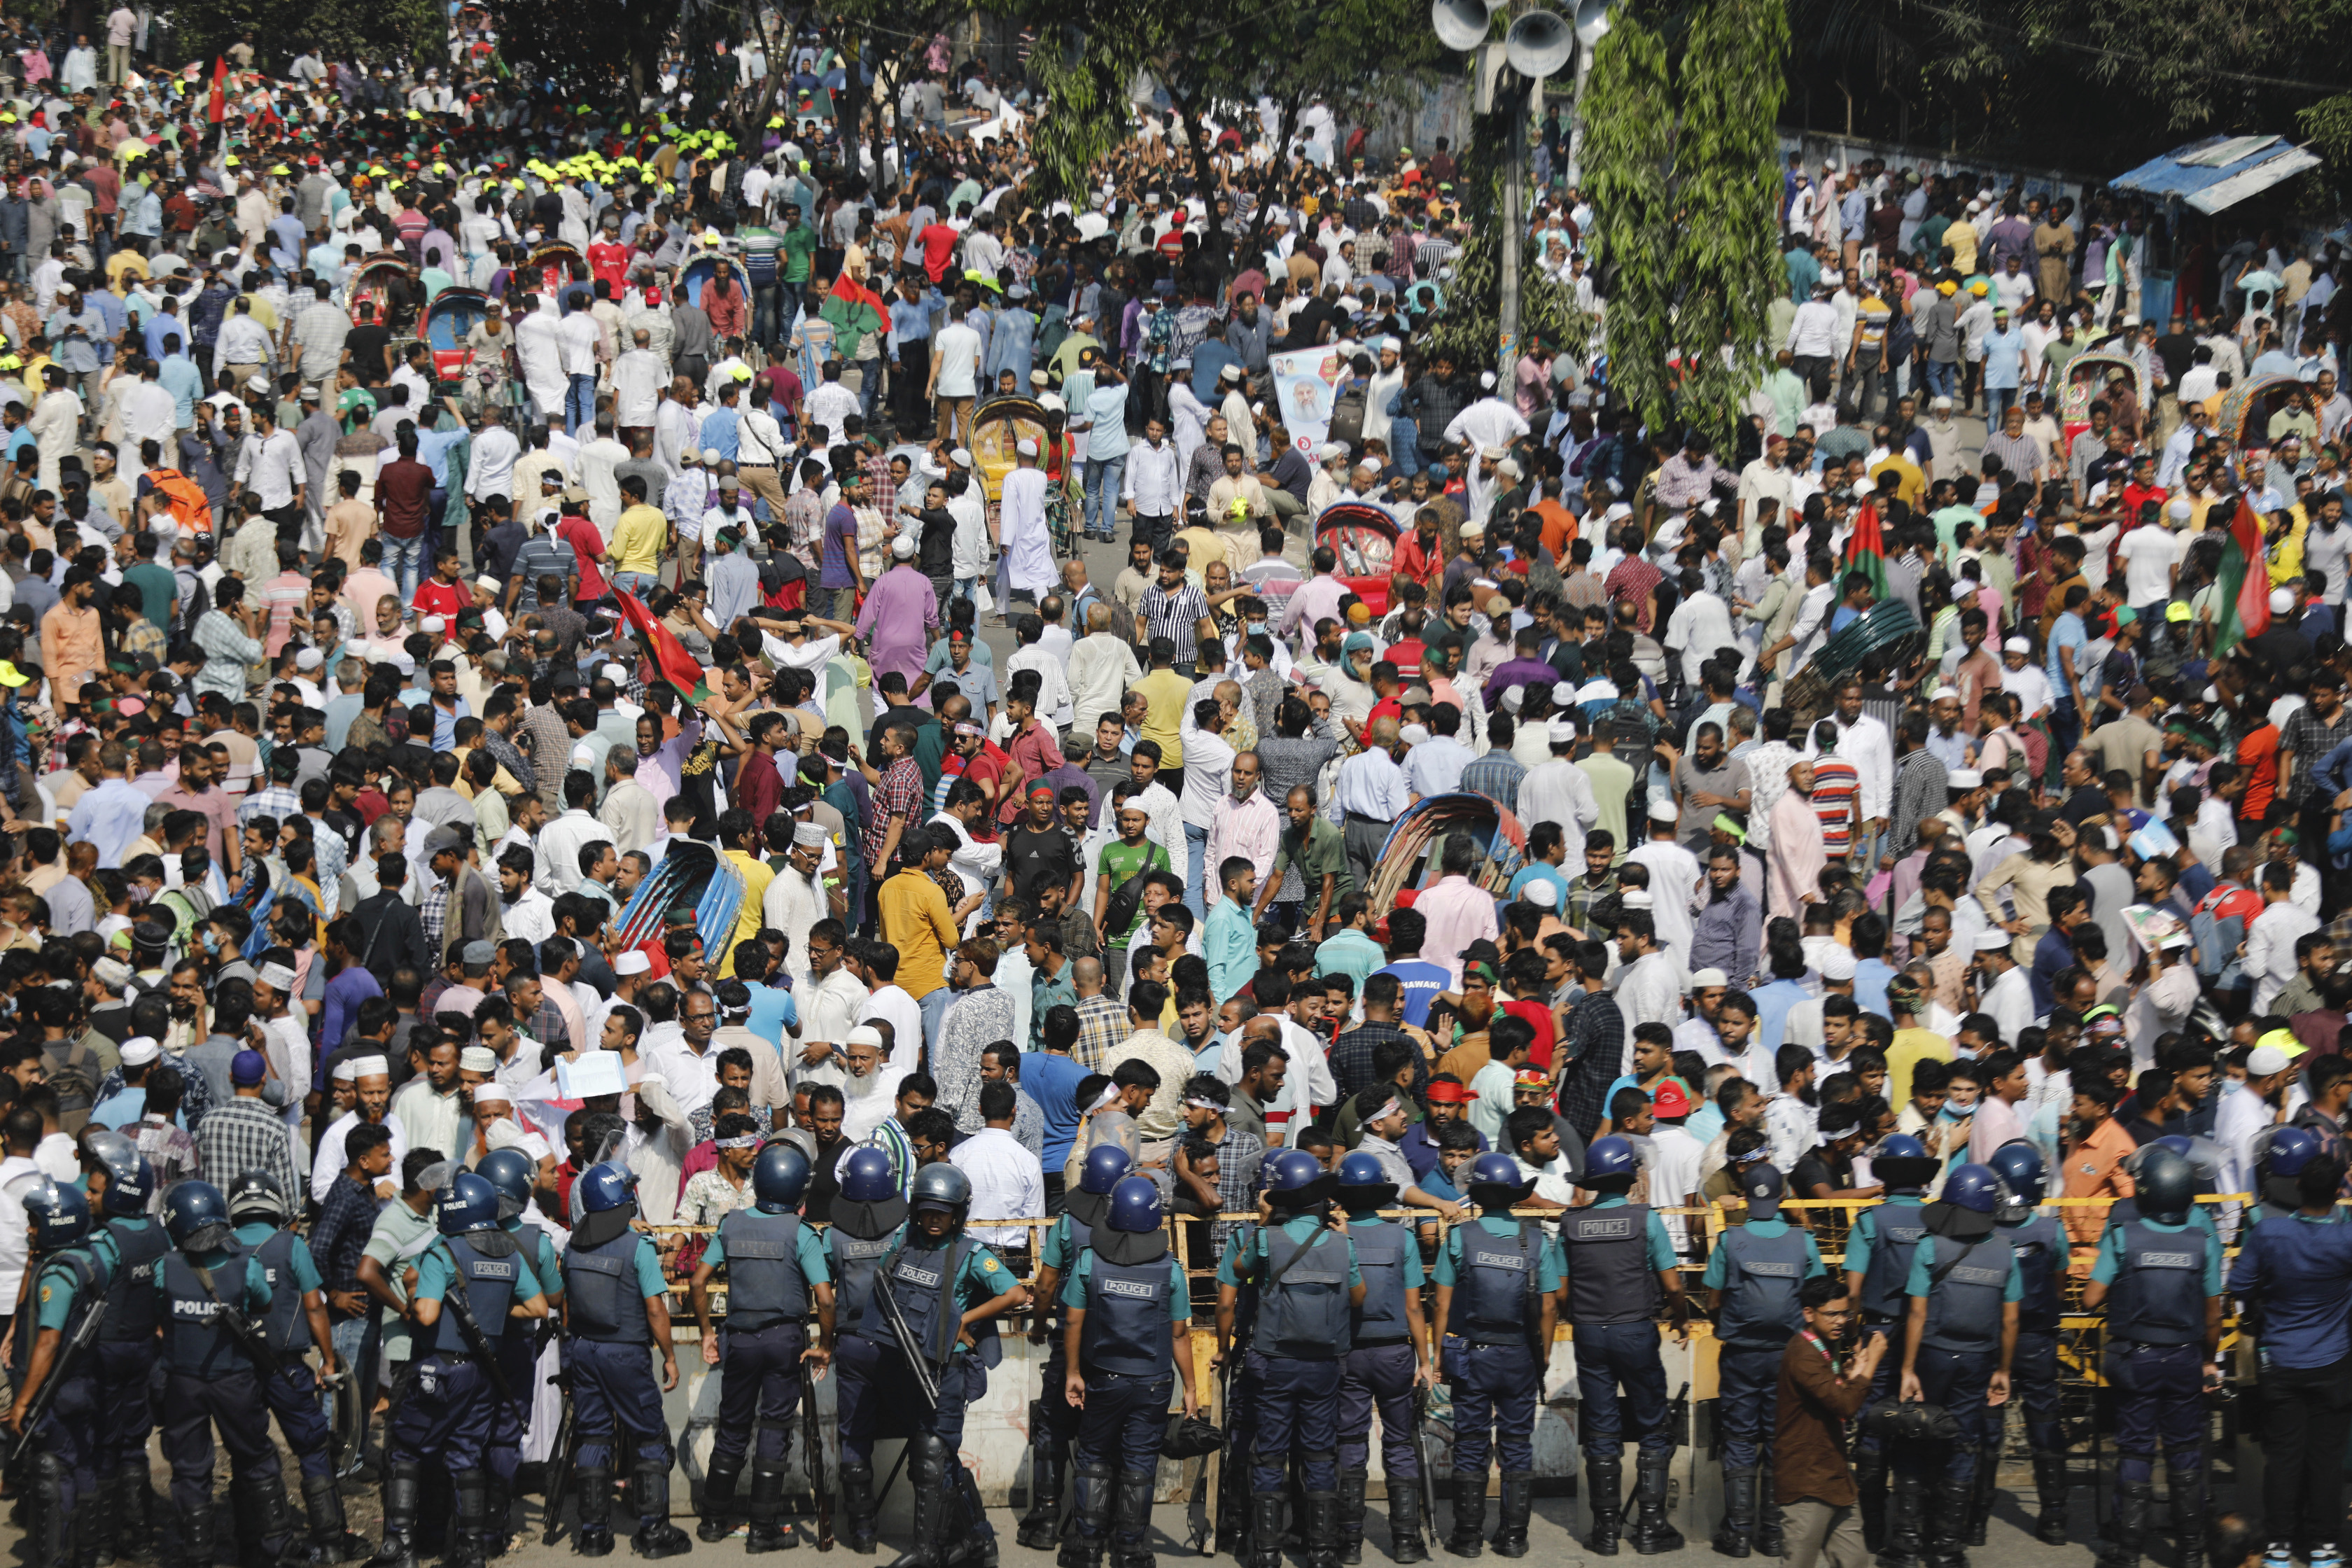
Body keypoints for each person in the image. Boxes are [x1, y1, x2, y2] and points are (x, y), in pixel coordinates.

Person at [834, 1163, 1027, 1568]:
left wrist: (963, 1322)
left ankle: (929, 1552)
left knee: (931, 1460)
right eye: (927, 1210)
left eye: (943, 1212)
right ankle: (978, 1541)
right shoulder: (904, 1243)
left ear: (958, 1214)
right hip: (904, 1370)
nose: (934, 1219)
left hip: (945, 1373)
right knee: (942, 1463)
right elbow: (883, 1287)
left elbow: (1015, 1294)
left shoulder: (972, 1253)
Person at [371, 1170, 552, 1568]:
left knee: (407, 1449)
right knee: (465, 1453)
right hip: (484, 1373)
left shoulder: (444, 1253)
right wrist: (492, 1313)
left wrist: (417, 1298)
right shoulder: (509, 1253)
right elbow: (540, 1308)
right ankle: (471, 1552)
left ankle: (400, 1548)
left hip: (440, 1367)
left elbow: (427, 1311)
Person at [2078, 1143, 2224, 1568]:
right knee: (2184, 1453)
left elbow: (2090, 1299)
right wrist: (2208, 1359)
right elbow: (2213, 1315)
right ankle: (2192, 1552)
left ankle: (2127, 1552)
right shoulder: (2203, 1241)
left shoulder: (2124, 1236)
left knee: (2136, 1452)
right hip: (2184, 1359)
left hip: (2135, 1360)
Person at [687, 1142, 834, 1550]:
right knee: (773, 1428)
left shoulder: (731, 1224)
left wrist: (706, 1332)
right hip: (784, 1340)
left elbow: (698, 1281)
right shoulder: (800, 1232)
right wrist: (825, 1345)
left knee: (732, 1428)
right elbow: (825, 1298)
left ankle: (713, 1521)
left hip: (739, 1339)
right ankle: (762, 1529)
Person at [153, 1180, 306, 1568]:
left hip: (182, 1384)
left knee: (189, 1471)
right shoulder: (246, 1266)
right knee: (256, 1460)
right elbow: (266, 1306)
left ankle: (198, 1555)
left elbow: (158, 1313)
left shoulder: (165, 1269)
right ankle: (272, 1550)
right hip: (236, 1382)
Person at [1228, 1148, 1364, 1568]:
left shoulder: (1268, 1240)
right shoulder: (1343, 1245)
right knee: (1320, 1454)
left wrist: (1265, 1224)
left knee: (1270, 1455)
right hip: (1324, 1365)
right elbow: (1359, 1297)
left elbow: (1237, 1269)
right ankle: (1322, 1553)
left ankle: (1266, 1553)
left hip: (1274, 1364)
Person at [1058, 1173, 1199, 1568]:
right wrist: (1191, 1387)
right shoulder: (1171, 1271)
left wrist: (1072, 1372)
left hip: (1105, 1378)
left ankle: (1087, 1547)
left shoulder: (1089, 1262)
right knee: (1140, 1461)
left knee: (1095, 1457)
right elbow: (1179, 1335)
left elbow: (1073, 1323)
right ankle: (1132, 1550)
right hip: (1154, 1383)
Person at [224, 1168, 363, 1562]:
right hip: (287, 1369)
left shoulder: (223, 1245)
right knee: (313, 1449)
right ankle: (332, 1541)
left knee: (247, 1454)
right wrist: (328, 1362)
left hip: (238, 1371)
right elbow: (314, 1305)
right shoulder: (291, 1245)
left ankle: (253, 1544)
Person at [1560, 1135, 1690, 1554]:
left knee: (1601, 1428)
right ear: (1630, 1175)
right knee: (1653, 1424)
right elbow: (1672, 1283)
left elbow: (1561, 1290)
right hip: (1635, 1330)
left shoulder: (1571, 1222)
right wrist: (1681, 1316)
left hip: (1589, 1333)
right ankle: (1651, 1529)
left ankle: (1605, 1532)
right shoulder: (1644, 1219)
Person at [2226, 1142, 2352, 1568]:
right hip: (2334, 1363)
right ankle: (2324, 1546)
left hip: (2279, 1362)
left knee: (2283, 1459)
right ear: (2339, 1191)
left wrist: (2268, 1301)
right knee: (2326, 1460)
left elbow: (2240, 1286)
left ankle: (2279, 1544)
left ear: (2298, 1186)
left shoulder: (2268, 1232)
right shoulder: (2347, 1235)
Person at [559, 1161, 693, 1559]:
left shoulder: (571, 1244)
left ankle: (593, 1534)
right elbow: (656, 1309)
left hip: (584, 1350)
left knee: (594, 1435)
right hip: (626, 1354)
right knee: (649, 1437)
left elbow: (567, 1303)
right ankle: (654, 1532)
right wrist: (669, 1356)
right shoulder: (638, 1247)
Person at [1432, 1152, 1559, 1559]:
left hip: (1471, 1356)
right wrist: (1544, 1357)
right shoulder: (1536, 1239)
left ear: (1479, 1195)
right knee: (1517, 1443)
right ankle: (1514, 1537)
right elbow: (1550, 1307)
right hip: (1520, 1356)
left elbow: (1441, 1303)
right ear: (1514, 1196)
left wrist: (1437, 1354)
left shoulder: (1460, 1236)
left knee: (1470, 1442)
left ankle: (1468, 1537)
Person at [1896, 1165, 2022, 1568]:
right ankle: (1948, 1548)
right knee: (1963, 1443)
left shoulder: (1930, 1247)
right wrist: (2003, 1370)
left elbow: (1916, 1314)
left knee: (1917, 1437)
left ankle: (1907, 1543)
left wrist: (1908, 1368)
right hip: (1978, 1361)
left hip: (1932, 1355)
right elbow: (2011, 1321)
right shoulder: (2005, 1251)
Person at [1702, 1163, 1826, 1559]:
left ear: (1746, 1197)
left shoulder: (1730, 1240)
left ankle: (1738, 1534)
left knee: (1739, 1438)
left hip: (1740, 1352)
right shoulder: (1802, 1241)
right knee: (1780, 1439)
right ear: (1782, 1197)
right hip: (1788, 1356)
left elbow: (1713, 1297)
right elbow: (1819, 1295)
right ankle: (1773, 1534)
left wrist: (1725, 1326)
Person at [1019, 1142, 1134, 1552]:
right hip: (1120, 1344)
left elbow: (1047, 1284)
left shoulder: (1067, 1223)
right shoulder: (1138, 1223)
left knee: (1052, 1427)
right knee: (1110, 1436)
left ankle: (1047, 1520)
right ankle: (1102, 1526)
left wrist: (1037, 1324)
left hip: (1070, 1337)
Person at [1837, 1133, 1940, 1559]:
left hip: (1876, 1334)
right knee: (1918, 1426)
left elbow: (1853, 1290)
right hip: (1927, 1336)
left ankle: (1874, 1530)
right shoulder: (1939, 1220)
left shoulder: (1869, 1221)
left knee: (1874, 1425)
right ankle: (1914, 1533)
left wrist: (1851, 1339)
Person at [4, 1177, 109, 1568]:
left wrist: (24, 1402)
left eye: (35, 1222)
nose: (30, 1229)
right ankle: (85, 1553)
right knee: (81, 1466)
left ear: (56, 1223)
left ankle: (54, 1559)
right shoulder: (88, 1258)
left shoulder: (58, 1275)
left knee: (54, 1475)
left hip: (57, 1391)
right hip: (83, 1384)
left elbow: (48, 1343)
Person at [1332, 1150, 1432, 1562]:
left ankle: (1351, 1543)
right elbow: (1414, 1308)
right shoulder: (1402, 1238)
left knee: (1351, 1444)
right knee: (1400, 1445)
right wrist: (1425, 1361)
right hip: (1395, 1355)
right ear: (1379, 1195)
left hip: (1350, 1354)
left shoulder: (1334, 1237)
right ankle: (1406, 1542)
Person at [1982, 1143, 2073, 1547]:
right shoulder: (2051, 1230)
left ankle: (1976, 1519)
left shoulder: (1983, 1231)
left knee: (1987, 1426)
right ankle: (2054, 1517)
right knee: (2045, 1424)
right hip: (2037, 1339)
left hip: (1990, 1340)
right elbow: (2060, 1282)